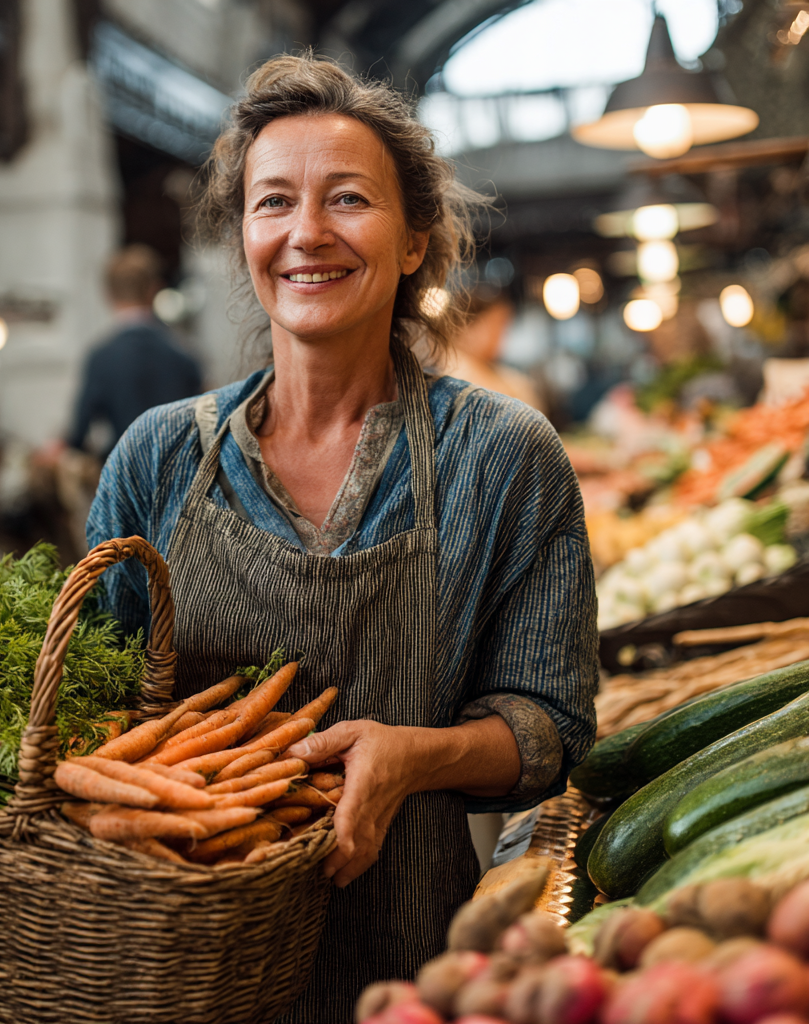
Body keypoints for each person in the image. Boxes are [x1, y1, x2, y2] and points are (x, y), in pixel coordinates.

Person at [86, 55, 597, 1023]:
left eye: (348, 199)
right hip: (183, 973)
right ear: (243, 235)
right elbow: (85, 707)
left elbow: (548, 733)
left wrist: (416, 756)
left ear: (414, 241)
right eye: (272, 201)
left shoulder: (501, 456)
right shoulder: (156, 458)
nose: (305, 233)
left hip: (412, 964)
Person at [67, 244, 202, 457]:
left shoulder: (101, 358)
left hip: (123, 474)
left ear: (108, 294)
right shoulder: (183, 354)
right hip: (179, 474)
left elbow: (79, 434)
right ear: (154, 289)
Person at [435, 289, 547, 412]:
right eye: (497, 325)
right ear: (468, 327)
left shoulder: (502, 374)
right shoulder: (449, 372)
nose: (503, 334)